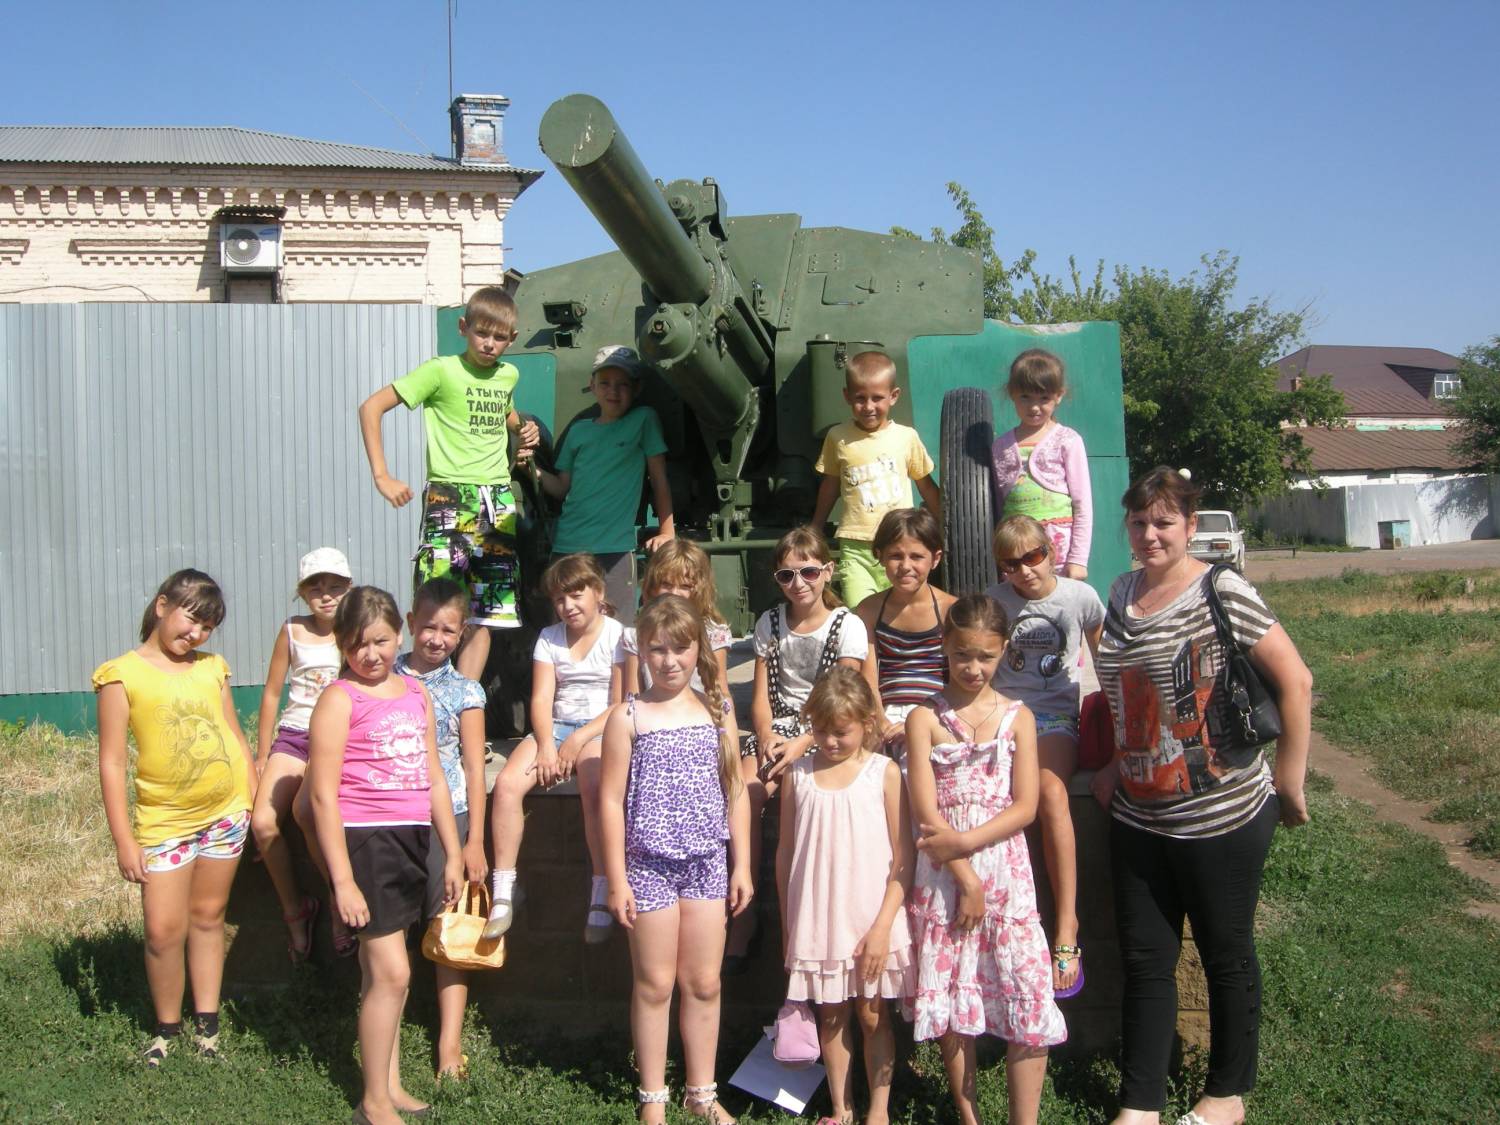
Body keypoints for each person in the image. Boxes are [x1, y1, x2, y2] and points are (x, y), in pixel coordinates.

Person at [1091, 467, 1311, 1125]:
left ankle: (1225, 1094)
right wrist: (1108, 762)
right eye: (1139, 521)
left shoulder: (1224, 588)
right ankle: (1140, 1102)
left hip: (1222, 816)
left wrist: (1292, 779)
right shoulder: (1122, 591)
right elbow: (1120, 688)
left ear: (1190, 526)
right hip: (1137, 816)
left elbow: (1295, 679)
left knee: (1226, 951)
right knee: (1146, 960)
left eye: (1163, 521)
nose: (1150, 533)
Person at [905, 594, 1066, 1125]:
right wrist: (963, 874)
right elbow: (926, 813)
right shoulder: (924, 718)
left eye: (986, 658)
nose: (973, 668)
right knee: (955, 1001)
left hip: (1007, 875)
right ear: (945, 649)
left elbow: (1024, 807)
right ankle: (968, 1117)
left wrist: (966, 847)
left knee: (1027, 992)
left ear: (1003, 654)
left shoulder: (1018, 719)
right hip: (948, 880)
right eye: (963, 655)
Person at [307, 587, 463, 1125]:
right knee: (392, 973)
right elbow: (323, 795)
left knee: (386, 976)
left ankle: (389, 1085)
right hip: (364, 842)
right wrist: (342, 880)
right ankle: (371, 1103)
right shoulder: (339, 699)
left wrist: (456, 851)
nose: (370, 654)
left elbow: (435, 778)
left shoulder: (415, 691)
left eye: (380, 640)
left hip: (413, 838)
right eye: (356, 644)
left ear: (399, 633)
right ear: (341, 646)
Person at [597, 596, 751, 1124]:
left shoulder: (717, 711)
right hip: (648, 866)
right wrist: (616, 879)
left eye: (680, 649)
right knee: (655, 982)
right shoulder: (628, 717)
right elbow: (610, 802)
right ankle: (653, 1099)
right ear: (641, 651)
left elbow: (735, 790)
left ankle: (702, 1092)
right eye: (657, 650)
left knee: (704, 981)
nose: (669, 661)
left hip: (707, 862)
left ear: (698, 650)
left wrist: (743, 864)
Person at [93, 569, 257, 1066]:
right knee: (163, 931)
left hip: (226, 815)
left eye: (208, 627)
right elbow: (112, 761)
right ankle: (167, 1027)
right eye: (192, 619)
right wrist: (125, 840)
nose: (197, 634)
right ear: (163, 605)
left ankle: (207, 1026)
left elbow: (233, 732)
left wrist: (249, 795)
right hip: (164, 824)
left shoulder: (212, 668)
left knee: (208, 918)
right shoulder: (120, 674)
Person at [357, 285, 540, 681]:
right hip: (451, 497)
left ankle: (462, 702)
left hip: (497, 503)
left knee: (485, 613)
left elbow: (505, 412)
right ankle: (424, 699)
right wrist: (381, 475)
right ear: (463, 327)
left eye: (499, 337)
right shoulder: (440, 370)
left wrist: (525, 431)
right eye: (481, 333)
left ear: (512, 338)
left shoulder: (509, 374)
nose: (489, 344)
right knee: (435, 607)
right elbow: (371, 407)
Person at [776, 668, 914, 1125]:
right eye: (820, 730)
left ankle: (879, 1110)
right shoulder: (798, 776)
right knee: (830, 1014)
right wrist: (788, 923)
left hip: (871, 917)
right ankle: (841, 1107)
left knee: (873, 1014)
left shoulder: (884, 773)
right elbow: (786, 854)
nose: (830, 741)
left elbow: (903, 858)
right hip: (818, 917)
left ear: (866, 724)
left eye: (841, 731)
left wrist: (882, 928)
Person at [728, 527, 869, 972]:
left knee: (798, 802)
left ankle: (801, 919)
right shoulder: (770, 624)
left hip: (825, 729)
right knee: (745, 792)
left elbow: (844, 695)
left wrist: (804, 742)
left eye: (808, 571)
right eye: (787, 575)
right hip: (780, 729)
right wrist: (768, 736)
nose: (799, 584)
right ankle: (743, 908)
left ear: (827, 572)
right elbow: (761, 697)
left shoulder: (847, 626)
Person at [985, 515, 1104, 999]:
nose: (1025, 571)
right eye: (1012, 564)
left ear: (1050, 551)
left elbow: (1105, 658)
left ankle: (1067, 924)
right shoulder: (996, 602)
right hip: (1006, 715)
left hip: (1054, 716)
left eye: (1033, 557)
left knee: (1052, 790)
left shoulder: (1079, 597)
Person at [485, 554, 625, 943]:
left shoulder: (618, 636)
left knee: (594, 787)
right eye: (560, 599)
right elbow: (542, 699)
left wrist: (580, 741)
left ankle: (601, 885)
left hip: (601, 729)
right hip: (557, 727)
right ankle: (504, 887)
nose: (568, 606)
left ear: (598, 592)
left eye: (576, 595)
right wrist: (546, 745)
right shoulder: (548, 638)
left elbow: (619, 702)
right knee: (509, 784)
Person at [394, 578, 488, 1080]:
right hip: (390, 814)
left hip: (448, 816)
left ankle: (448, 1044)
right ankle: (387, 1028)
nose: (436, 638)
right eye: (428, 626)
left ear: (462, 634)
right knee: (391, 929)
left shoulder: (465, 691)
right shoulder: (381, 675)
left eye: (448, 630)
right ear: (410, 624)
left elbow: (475, 769)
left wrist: (474, 839)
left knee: (449, 927)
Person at [250, 547, 352, 963]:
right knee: (262, 824)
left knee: (308, 812)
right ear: (303, 593)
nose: (326, 597)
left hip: (338, 737)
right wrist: (261, 755)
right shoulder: (292, 629)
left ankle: (338, 903)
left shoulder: (355, 629)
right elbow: (273, 692)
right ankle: (295, 909)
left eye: (335, 588)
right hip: (294, 734)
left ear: (348, 589)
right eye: (316, 588)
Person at [526, 344, 675, 624]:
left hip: (615, 548)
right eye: (605, 383)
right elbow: (560, 487)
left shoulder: (644, 420)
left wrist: (668, 531)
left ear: (637, 388)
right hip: (569, 544)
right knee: (566, 628)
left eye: (623, 384)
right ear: (591, 386)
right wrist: (530, 468)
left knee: (620, 631)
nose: (613, 391)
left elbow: (659, 479)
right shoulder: (579, 432)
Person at [809, 351, 942, 607]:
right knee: (861, 614)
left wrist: (945, 525)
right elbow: (831, 485)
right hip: (856, 545)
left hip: (900, 543)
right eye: (860, 398)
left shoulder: (906, 437)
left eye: (877, 398)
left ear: (894, 396)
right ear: (847, 396)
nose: (869, 407)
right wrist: (816, 525)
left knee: (902, 609)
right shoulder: (838, 437)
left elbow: (925, 484)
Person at [854, 508, 956, 752]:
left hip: (938, 711)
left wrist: (922, 722)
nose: (905, 566)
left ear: (936, 558)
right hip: (884, 714)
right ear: (879, 555)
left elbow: (959, 678)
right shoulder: (869, 610)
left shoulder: (951, 610)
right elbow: (869, 679)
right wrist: (881, 721)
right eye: (895, 556)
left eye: (917, 557)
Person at [989, 348, 1093, 580]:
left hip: (1058, 551)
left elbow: (1082, 503)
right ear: (1012, 393)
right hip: (1016, 553)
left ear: (1059, 396)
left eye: (1044, 398)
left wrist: (1078, 559)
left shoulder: (1067, 440)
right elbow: (997, 505)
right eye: (1025, 397)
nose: (1034, 407)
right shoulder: (1000, 446)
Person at [618, 539, 734, 703]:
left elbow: (720, 690)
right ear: (652, 587)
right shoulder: (636, 634)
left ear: (699, 589)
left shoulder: (714, 633)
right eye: (666, 584)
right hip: (651, 717)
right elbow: (632, 695)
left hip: (699, 715)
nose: (674, 593)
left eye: (685, 586)